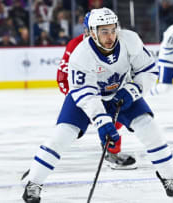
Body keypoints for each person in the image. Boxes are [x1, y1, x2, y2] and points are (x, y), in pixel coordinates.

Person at [22, 7, 173, 203]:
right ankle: (33, 184)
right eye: (104, 31)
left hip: (121, 92)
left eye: (113, 29)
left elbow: (148, 70)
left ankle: (170, 180)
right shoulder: (80, 54)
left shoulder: (130, 40)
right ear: (92, 33)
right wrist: (102, 121)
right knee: (62, 135)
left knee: (150, 128)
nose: (110, 36)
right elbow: (85, 93)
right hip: (86, 98)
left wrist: (132, 91)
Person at [56, 12, 136, 170]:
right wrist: (76, 99)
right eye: (87, 30)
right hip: (87, 93)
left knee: (116, 120)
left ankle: (111, 152)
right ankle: (45, 161)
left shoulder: (113, 42)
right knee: (68, 131)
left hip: (109, 90)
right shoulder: (76, 46)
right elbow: (62, 77)